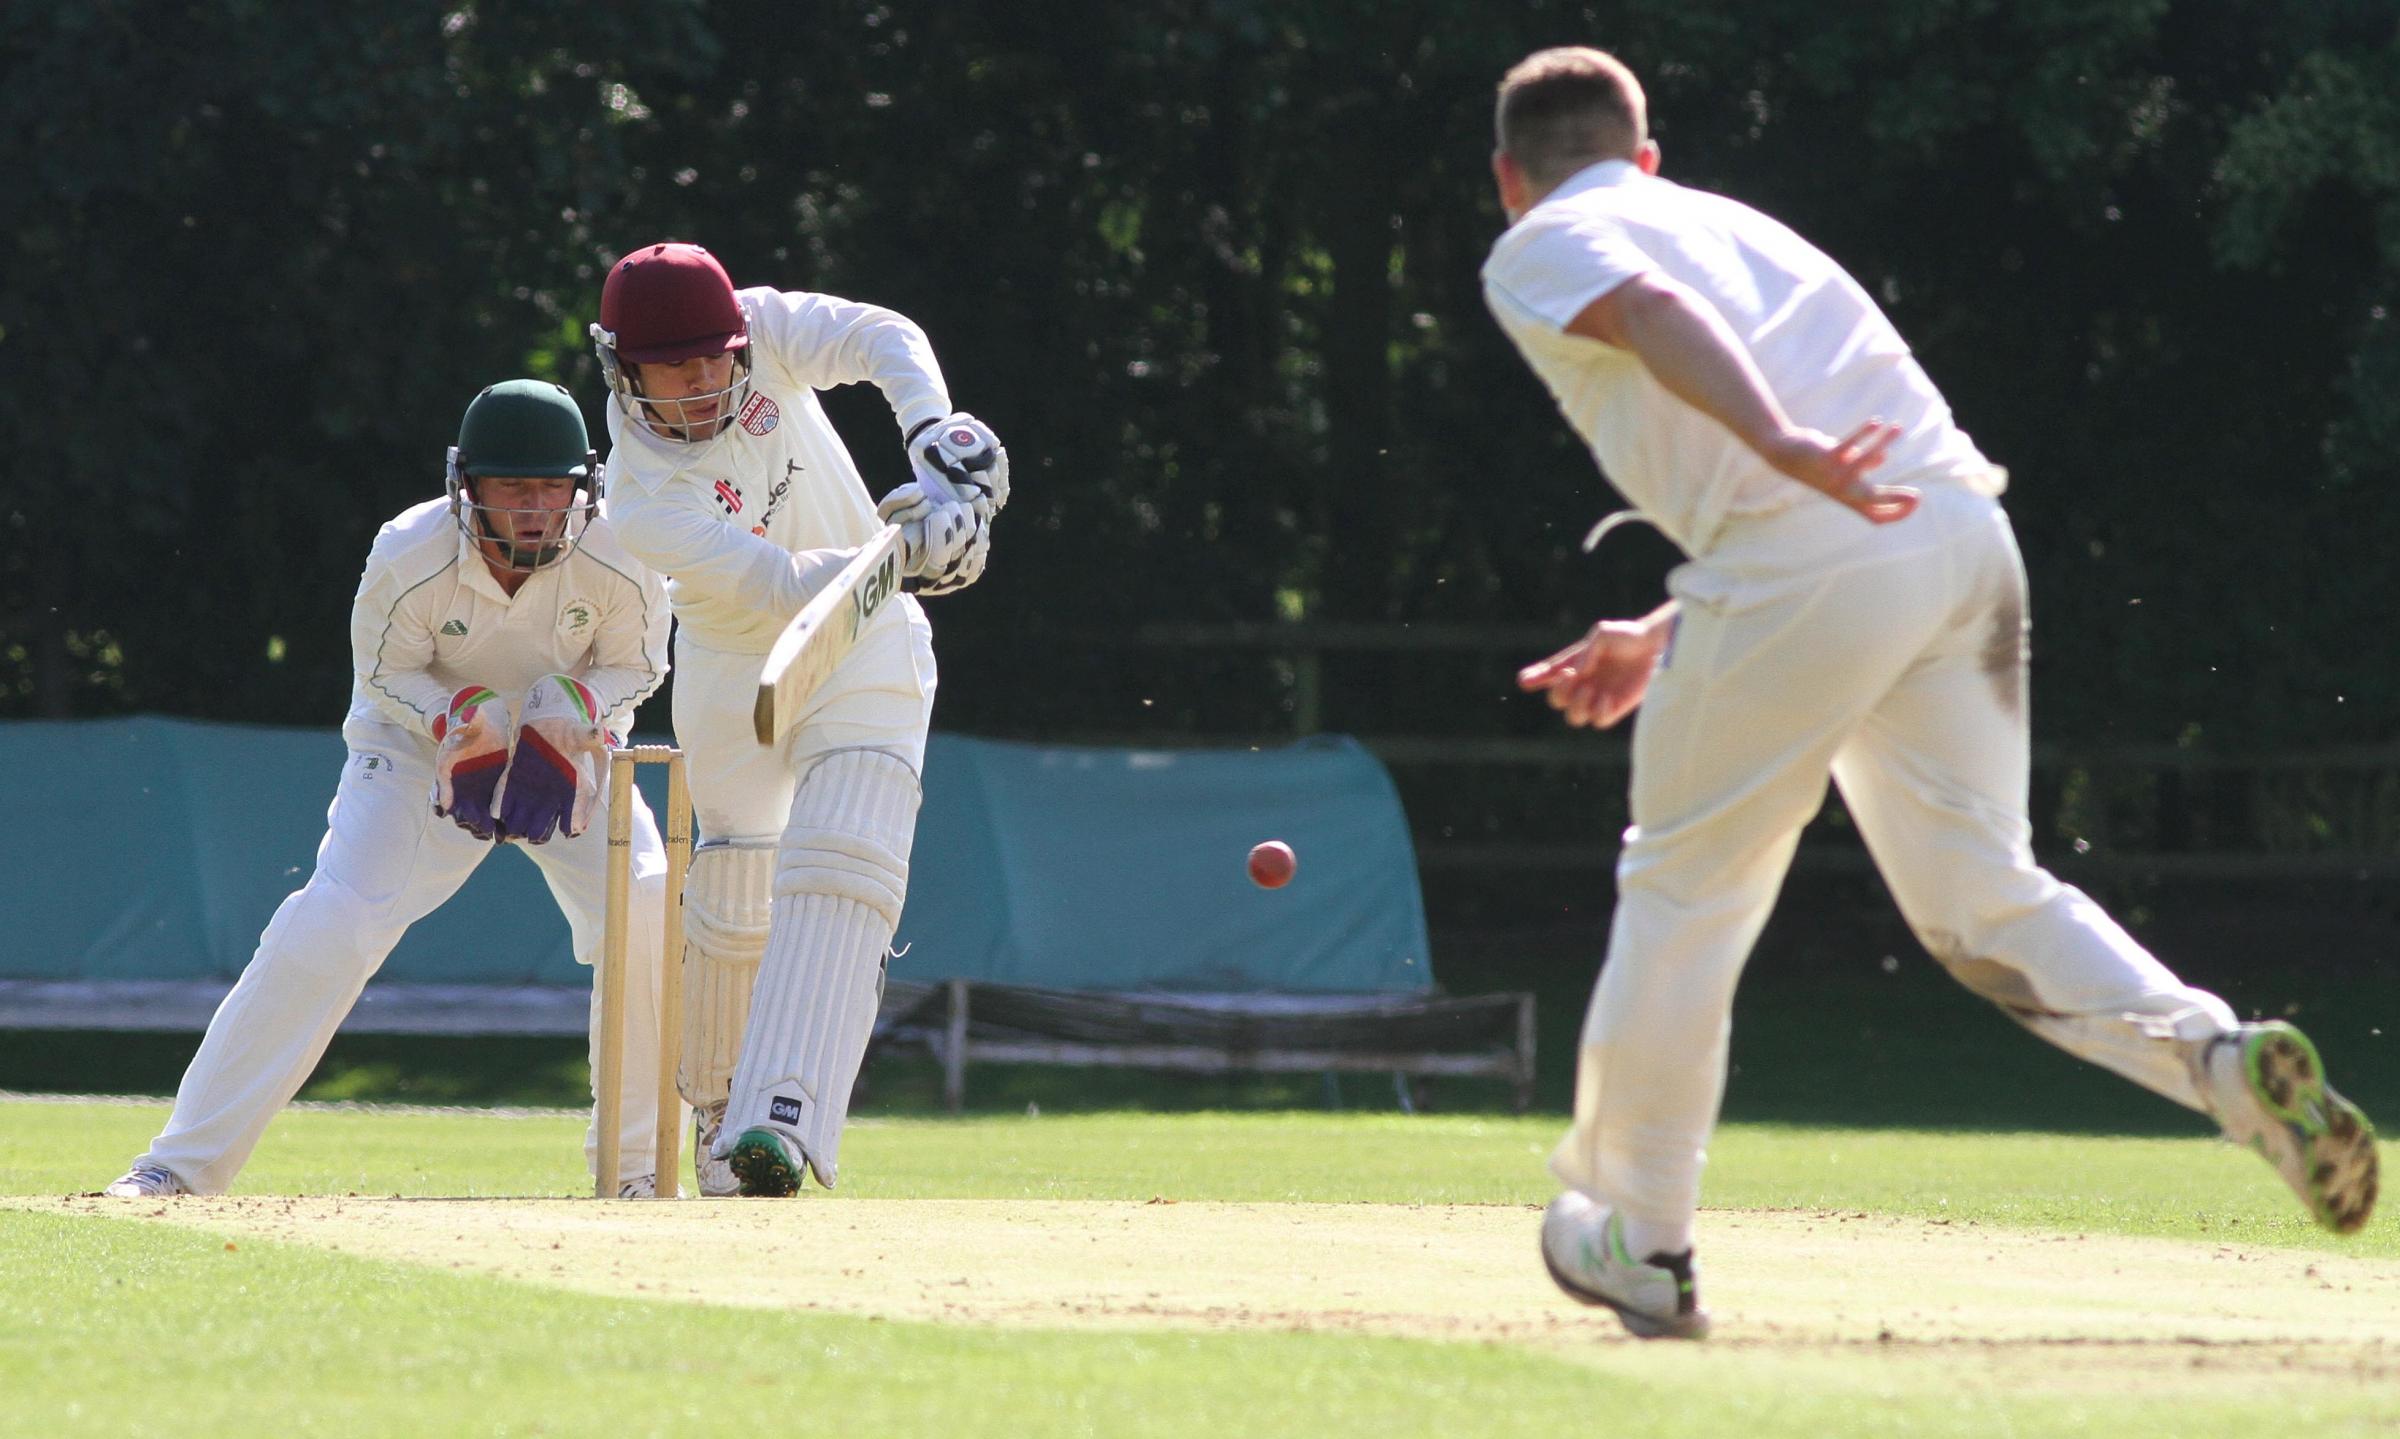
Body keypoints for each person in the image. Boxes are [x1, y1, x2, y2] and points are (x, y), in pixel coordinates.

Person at [1482, 47, 2379, 1339]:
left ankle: (1643, 1235)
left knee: (1684, 886)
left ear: (1510, 177)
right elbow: (1874, 495)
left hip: (1810, 557)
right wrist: (1675, 624)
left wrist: (1774, 445)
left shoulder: (1548, 235)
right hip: (1960, 545)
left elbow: (1652, 319)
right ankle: (2220, 1059)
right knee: (1984, 890)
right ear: (1650, 153)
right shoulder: (1745, 228)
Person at [104, 380, 676, 1200]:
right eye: (515, 488)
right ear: (467, 485)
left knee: (646, 906)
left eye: (555, 487)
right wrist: (459, 717)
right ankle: (177, 1167)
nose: (538, 509)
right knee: (331, 921)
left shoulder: (624, 549)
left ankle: (636, 1172)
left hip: (568, 751)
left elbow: (640, 662)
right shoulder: (410, 553)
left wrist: (575, 707)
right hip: (420, 755)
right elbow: (382, 672)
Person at [589, 242, 1005, 1197]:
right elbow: (779, 588)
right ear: (623, 367)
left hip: (867, 641)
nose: (703, 378)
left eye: (714, 355)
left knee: (844, 857)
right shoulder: (642, 497)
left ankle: (777, 1121)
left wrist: (935, 437)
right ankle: (718, 1111)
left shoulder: (763, 329)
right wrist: (913, 551)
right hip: (739, 668)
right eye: (674, 363)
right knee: (736, 890)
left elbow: (880, 335)